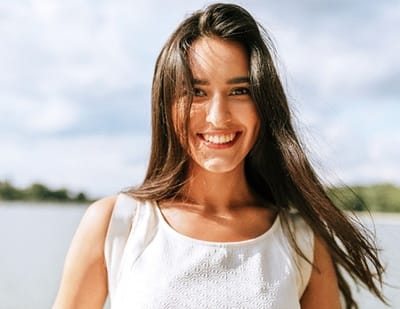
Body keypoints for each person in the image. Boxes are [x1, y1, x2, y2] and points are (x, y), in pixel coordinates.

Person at [53, 3, 386, 309]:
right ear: (166, 104)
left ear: (263, 106)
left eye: (240, 91)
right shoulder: (117, 224)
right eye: (196, 92)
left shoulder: (300, 239)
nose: (218, 116)